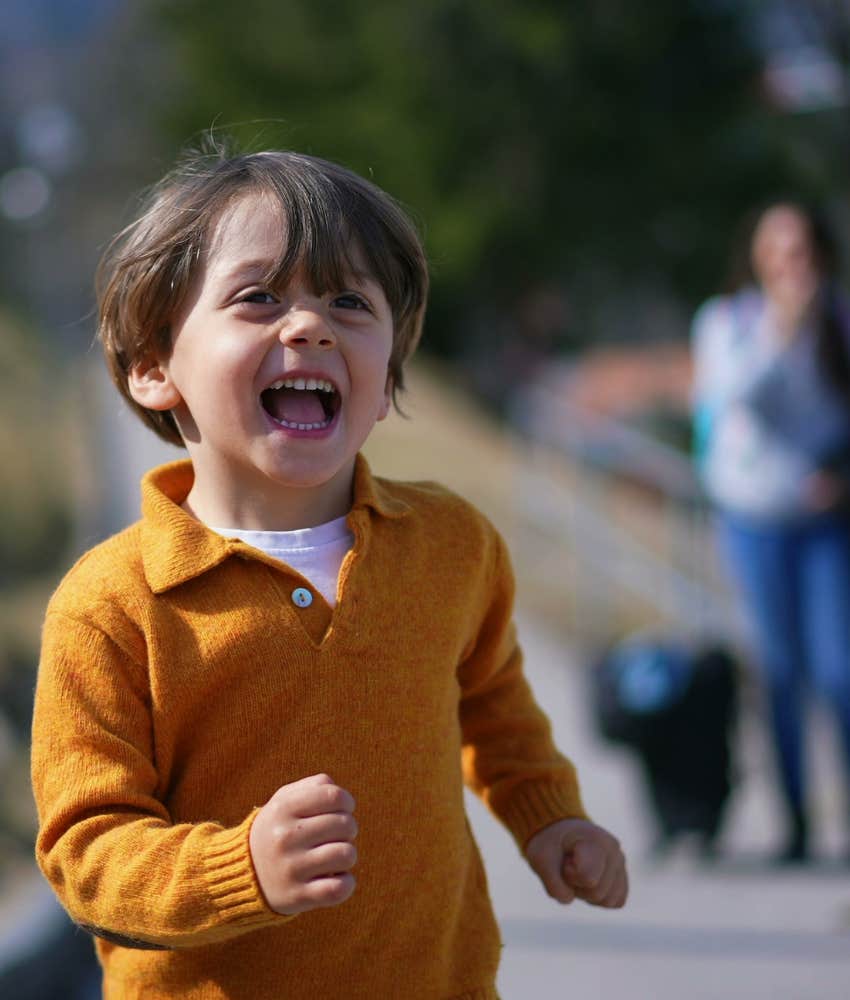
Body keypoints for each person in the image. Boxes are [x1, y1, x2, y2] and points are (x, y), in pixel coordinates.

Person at [30, 145, 628, 999]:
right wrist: (242, 868)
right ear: (155, 367)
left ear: (385, 381)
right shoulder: (110, 606)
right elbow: (86, 853)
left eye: (349, 301)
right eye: (258, 297)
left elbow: (493, 703)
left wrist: (551, 815)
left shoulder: (451, 544)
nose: (309, 324)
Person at [691, 201, 850, 863]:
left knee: (839, 671)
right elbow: (737, 400)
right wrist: (783, 326)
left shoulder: (839, 319)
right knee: (779, 673)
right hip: (754, 519)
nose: (793, 265)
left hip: (825, 523)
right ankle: (797, 825)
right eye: (779, 251)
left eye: (802, 251)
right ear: (757, 256)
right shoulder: (729, 322)